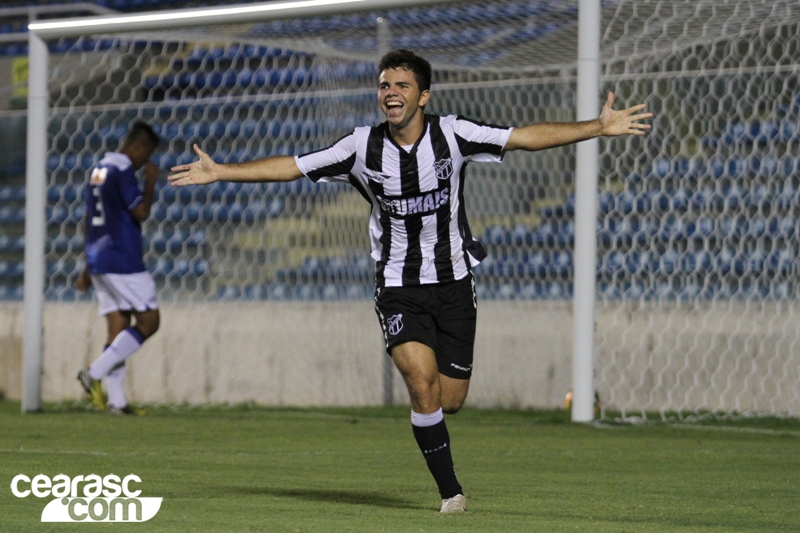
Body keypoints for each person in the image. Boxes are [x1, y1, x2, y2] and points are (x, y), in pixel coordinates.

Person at [168, 49, 651, 512]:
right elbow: (293, 167)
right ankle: (451, 493)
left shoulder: (455, 134)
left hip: (456, 284)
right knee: (421, 385)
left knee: (449, 399)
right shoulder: (360, 146)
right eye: (384, 85)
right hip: (398, 287)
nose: (391, 92)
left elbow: (524, 136)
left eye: (402, 85)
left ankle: (440, 445)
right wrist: (222, 172)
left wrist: (598, 127)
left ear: (424, 96)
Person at [75, 121, 161, 416]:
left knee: (118, 326)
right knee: (150, 322)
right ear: (137, 146)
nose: (144, 162)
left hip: (99, 258)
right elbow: (141, 211)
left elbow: (88, 217)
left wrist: (88, 265)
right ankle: (94, 373)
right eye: (145, 154)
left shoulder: (98, 169)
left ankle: (117, 402)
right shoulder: (123, 169)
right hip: (122, 258)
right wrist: (151, 181)